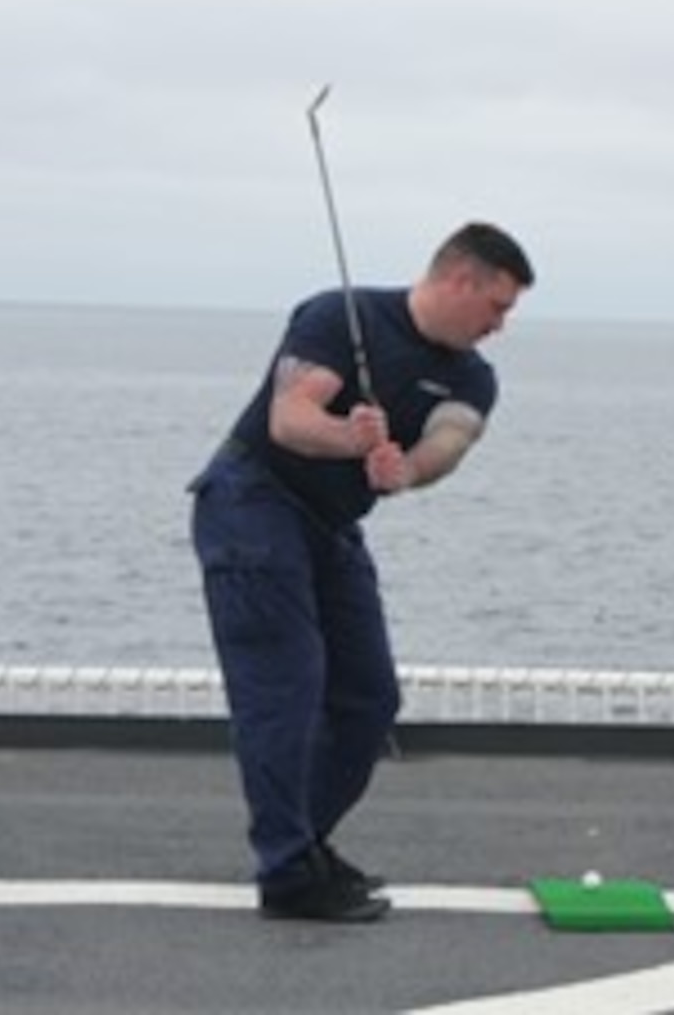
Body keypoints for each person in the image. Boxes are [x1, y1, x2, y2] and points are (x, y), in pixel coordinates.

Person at [189, 222, 535, 922]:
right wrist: (351, 437)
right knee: (287, 687)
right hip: (253, 501)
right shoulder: (335, 316)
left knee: (369, 697)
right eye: (496, 307)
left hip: (330, 525)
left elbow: (450, 438)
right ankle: (287, 874)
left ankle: (302, 841)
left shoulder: (474, 375)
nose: (500, 326)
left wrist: (404, 467)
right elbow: (290, 419)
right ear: (460, 279)